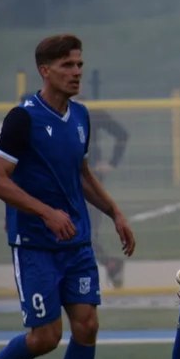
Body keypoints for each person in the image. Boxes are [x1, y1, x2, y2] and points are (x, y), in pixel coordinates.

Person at [0, 34, 136, 359]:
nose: (76, 72)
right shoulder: (22, 118)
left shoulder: (80, 116)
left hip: (75, 242)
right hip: (35, 244)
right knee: (45, 336)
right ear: (45, 71)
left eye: (79, 64)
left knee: (87, 325)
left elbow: (82, 173)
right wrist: (45, 212)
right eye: (67, 66)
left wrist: (115, 212)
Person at [75, 96, 130, 286]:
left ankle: (109, 264)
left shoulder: (91, 111)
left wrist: (111, 163)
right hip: (64, 180)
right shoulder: (53, 110)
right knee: (72, 232)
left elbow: (121, 134)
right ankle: (110, 264)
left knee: (86, 231)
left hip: (90, 180)